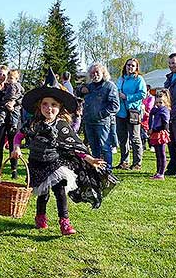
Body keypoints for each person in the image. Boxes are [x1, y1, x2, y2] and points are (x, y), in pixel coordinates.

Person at [11, 79, 114, 235]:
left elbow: (74, 146)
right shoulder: (33, 122)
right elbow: (19, 135)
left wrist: (89, 159)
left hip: (55, 162)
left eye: (54, 105)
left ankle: (64, 222)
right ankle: (40, 217)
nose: (49, 108)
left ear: (60, 108)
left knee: (60, 191)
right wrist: (16, 147)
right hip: (36, 163)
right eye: (45, 104)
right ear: (39, 105)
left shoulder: (62, 126)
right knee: (43, 193)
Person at [76, 63, 120, 169]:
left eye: (97, 72)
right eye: (92, 73)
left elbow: (115, 105)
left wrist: (100, 115)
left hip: (102, 122)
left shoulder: (109, 86)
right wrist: (80, 89)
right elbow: (77, 93)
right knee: (94, 147)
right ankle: (97, 169)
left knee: (105, 147)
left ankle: (108, 169)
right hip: (89, 121)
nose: (95, 75)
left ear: (103, 73)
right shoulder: (89, 86)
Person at [115, 58, 147, 170]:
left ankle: (137, 163)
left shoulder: (139, 79)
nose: (130, 67)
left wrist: (127, 97)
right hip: (121, 112)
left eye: (133, 65)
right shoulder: (121, 79)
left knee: (135, 137)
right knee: (122, 138)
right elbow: (117, 90)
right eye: (128, 65)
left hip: (133, 111)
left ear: (136, 67)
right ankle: (124, 161)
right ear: (125, 66)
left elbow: (143, 94)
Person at [164, 53, 176, 176]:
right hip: (169, 113)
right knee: (171, 142)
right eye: (170, 63)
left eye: (174, 63)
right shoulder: (169, 78)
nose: (171, 65)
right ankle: (173, 167)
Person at [148, 90, 171, 180]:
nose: (158, 104)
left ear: (165, 102)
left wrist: (153, 129)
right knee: (157, 154)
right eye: (156, 102)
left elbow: (165, 125)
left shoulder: (164, 111)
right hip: (155, 132)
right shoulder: (156, 110)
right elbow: (151, 116)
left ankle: (161, 173)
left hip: (160, 133)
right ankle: (158, 172)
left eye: (160, 102)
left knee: (162, 154)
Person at [141, 84, 155, 150]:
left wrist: (143, 108)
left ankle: (151, 145)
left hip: (148, 116)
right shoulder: (141, 97)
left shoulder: (151, 98)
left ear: (148, 90)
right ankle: (143, 146)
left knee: (149, 131)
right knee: (142, 132)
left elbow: (149, 108)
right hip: (142, 117)